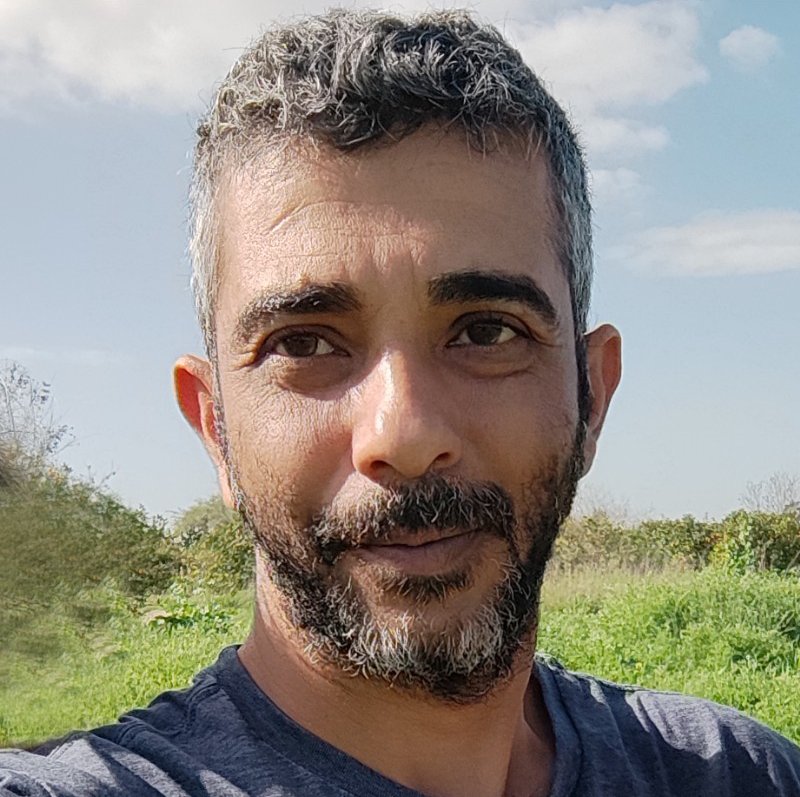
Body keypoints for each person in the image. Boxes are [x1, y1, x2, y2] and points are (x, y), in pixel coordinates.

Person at [2, 9, 799, 797]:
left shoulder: (739, 774)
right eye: (304, 342)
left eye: (486, 331)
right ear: (216, 427)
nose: (403, 433)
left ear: (592, 395)